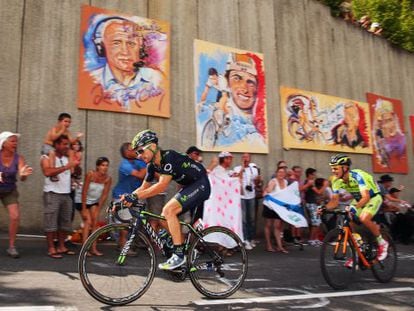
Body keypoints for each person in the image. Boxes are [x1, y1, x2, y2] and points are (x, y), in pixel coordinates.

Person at [122, 130, 211, 270]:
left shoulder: (168, 157)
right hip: (189, 185)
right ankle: (186, 250)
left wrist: (136, 197)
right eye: (137, 153)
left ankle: (179, 255)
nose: (139, 156)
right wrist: (125, 199)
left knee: (168, 210)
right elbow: (143, 187)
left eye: (140, 151)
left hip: (201, 183)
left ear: (152, 146)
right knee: (163, 217)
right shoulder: (151, 166)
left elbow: (161, 186)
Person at [323, 154, 388, 266]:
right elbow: (334, 201)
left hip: (373, 197)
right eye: (332, 168)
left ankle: (382, 243)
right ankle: (359, 251)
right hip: (359, 199)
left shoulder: (358, 176)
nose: (333, 171)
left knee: (363, 217)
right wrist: (324, 208)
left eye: (336, 168)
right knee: (349, 219)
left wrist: (354, 207)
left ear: (345, 168)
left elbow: (366, 197)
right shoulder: (336, 181)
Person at [89, 17, 163, 110]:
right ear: (101, 47)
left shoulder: (156, 78)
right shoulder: (92, 79)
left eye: (131, 44)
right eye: (116, 43)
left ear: (141, 49)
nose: (125, 51)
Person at [40, 135, 80, 259]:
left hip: (66, 193)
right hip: (52, 193)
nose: (66, 147)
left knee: (65, 223)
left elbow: (74, 172)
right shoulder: (46, 157)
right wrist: (66, 167)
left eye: (67, 144)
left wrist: (76, 167)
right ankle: (51, 248)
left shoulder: (67, 157)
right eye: (63, 144)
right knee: (51, 223)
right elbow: (47, 172)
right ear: (56, 145)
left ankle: (61, 246)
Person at [0, 131, 33, 258]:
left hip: (9, 190)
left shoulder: (19, 158)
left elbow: (22, 175)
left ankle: (12, 247)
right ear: (3, 143)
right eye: (12, 141)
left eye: (16, 141)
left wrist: (24, 175)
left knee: (15, 216)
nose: (15, 143)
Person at [80, 157, 112, 256]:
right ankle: (84, 249)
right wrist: (84, 208)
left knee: (95, 223)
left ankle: (93, 248)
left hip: (95, 201)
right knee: (88, 222)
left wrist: (99, 208)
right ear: (98, 166)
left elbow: (104, 195)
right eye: (103, 165)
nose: (105, 167)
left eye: (106, 165)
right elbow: (84, 192)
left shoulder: (108, 178)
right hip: (84, 200)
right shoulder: (90, 174)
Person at [234, 153, 259, 250]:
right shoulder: (237, 168)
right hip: (241, 196)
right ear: (241, 158)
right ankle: (245, 240)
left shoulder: (254, 169)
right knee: (243, 220)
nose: (245, 159)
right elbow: (236, 178)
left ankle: (251, 238)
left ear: (250, 158)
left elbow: (256, 183)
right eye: (244, 157)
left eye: (247, 157)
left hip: (251, 196)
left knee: (251, 219)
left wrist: (258, 180)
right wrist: (242, 169)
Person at [262, 167, 289, 253]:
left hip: (278, 207)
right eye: (279, 172)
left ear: (285, 174)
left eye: (283, 172)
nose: (281, 174)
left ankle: (279, 246)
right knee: (268, 225)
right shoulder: (273, 181)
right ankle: (268, 245)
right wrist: (267, 190)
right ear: (276, 173)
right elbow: (269, 189)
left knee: (277, 226)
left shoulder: (285, 182)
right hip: (269, 206)